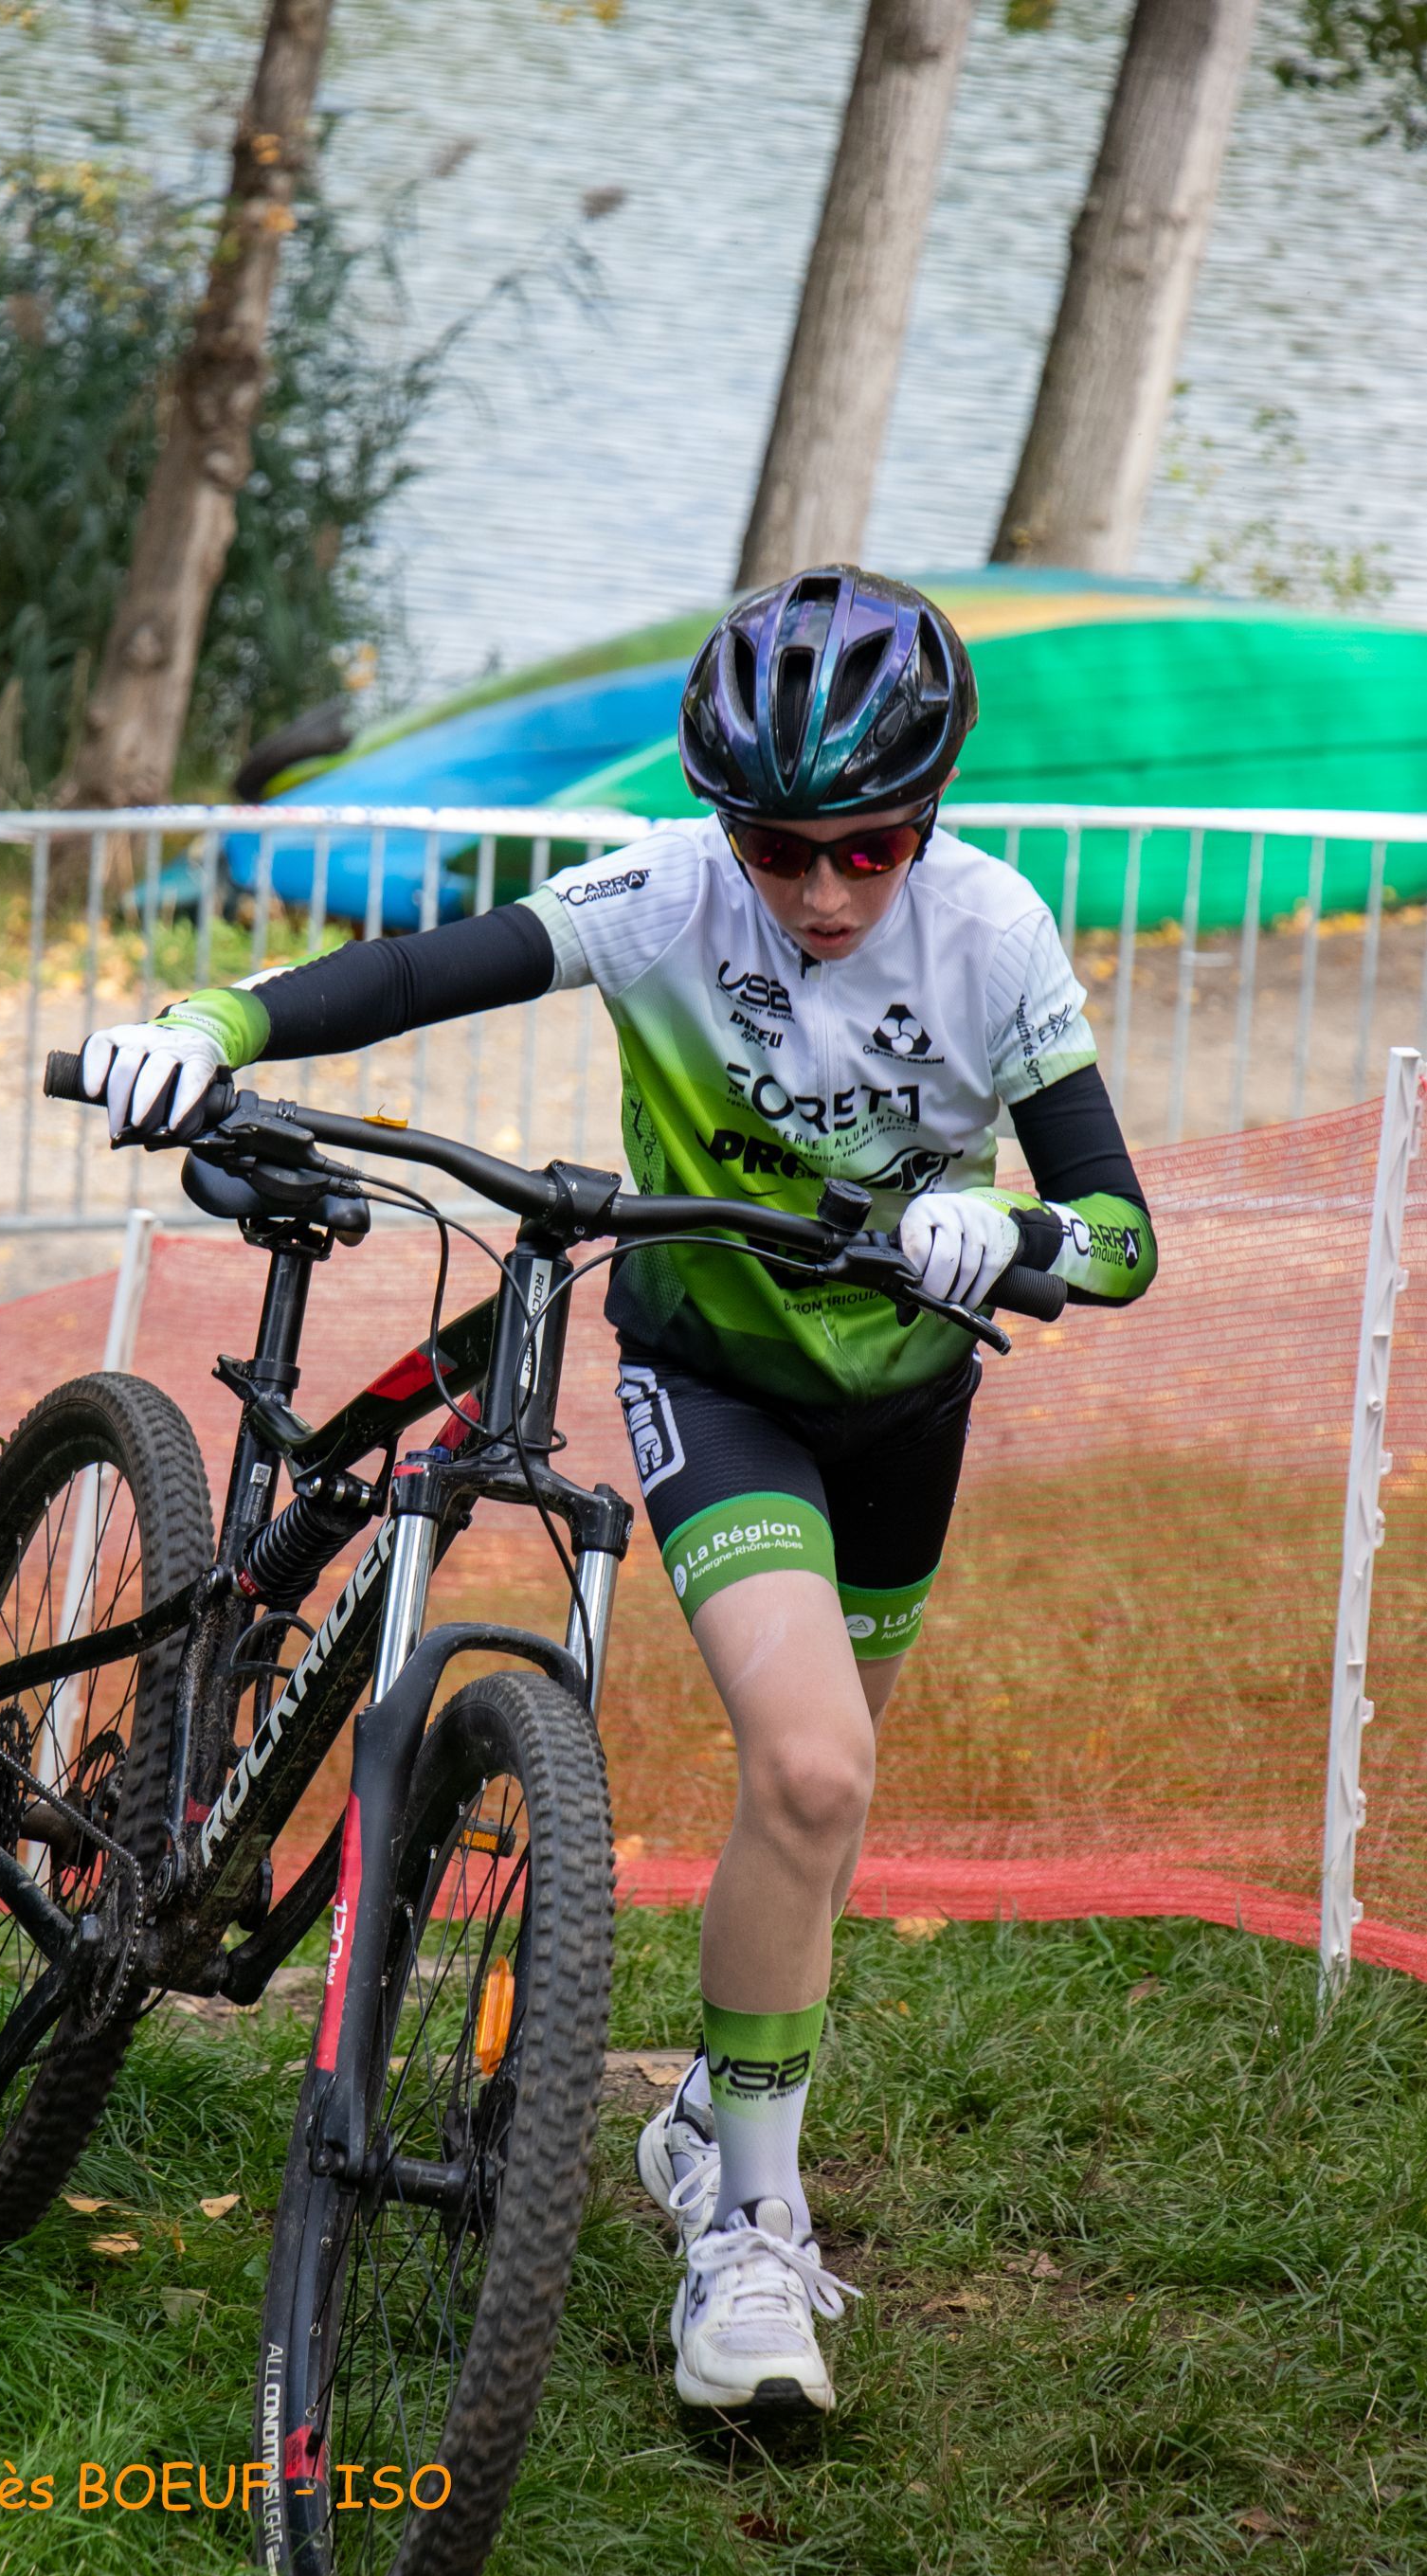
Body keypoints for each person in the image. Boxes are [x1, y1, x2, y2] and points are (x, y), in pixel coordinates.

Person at [78, 567, 1157, 2419]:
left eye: (871, 845)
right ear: (723, 823)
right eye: (779, 848)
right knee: (809, 1768)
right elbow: (424, 970)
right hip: (711, 1378)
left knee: (820, 1798)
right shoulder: (667, 895)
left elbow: (1122, 1232)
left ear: (932, 813)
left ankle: (703, 2112)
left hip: (906, 1404)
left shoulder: (991, 933)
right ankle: (749, 2231)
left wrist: (1021, 1226)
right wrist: (216, 1020)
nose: (823, 892)